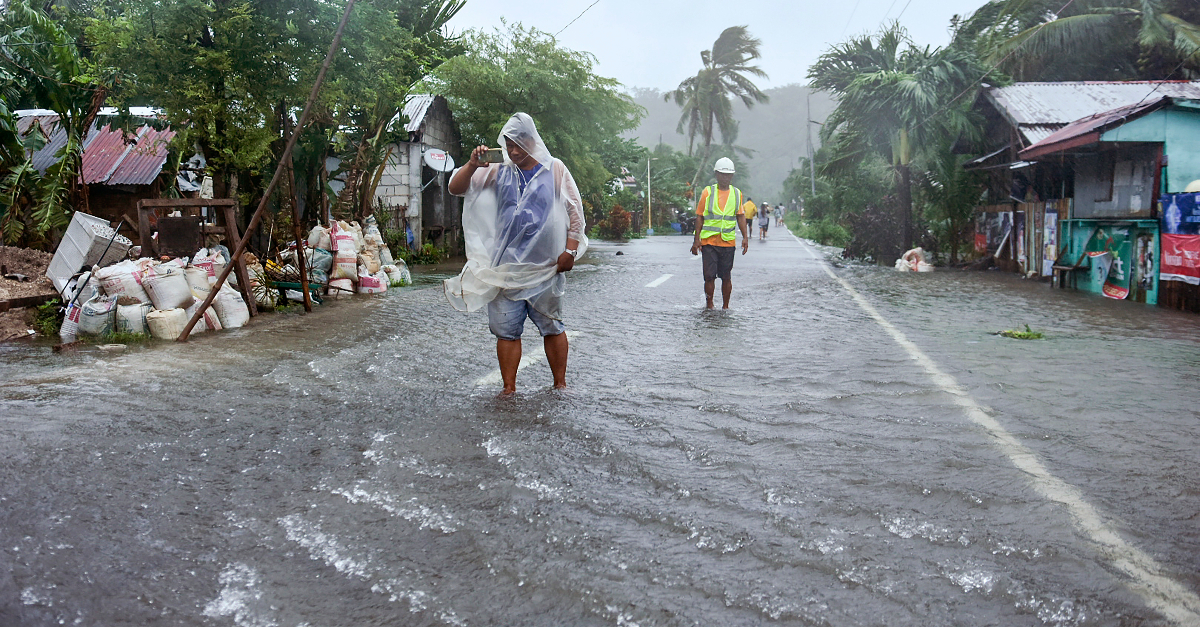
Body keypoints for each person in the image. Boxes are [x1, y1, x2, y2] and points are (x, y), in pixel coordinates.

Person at [445, 113, 587, 395]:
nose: (512, 151)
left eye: (518, 145)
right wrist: (473, 164)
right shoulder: (499, 170)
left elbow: (575, 213)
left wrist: (570, 250)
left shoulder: (555, 169)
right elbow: (455, 188)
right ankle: (509, 389)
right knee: (506, 332)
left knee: (553, 326)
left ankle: (560, 384)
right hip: (505, 269)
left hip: (546, 268)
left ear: (532, 141)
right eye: (508, 145)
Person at [690, 157, 748, 309]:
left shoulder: (737, 194)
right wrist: (696, 240)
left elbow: (740, 216)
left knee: (726, 276)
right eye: (722, 174)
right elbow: (700, 217)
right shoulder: (708, 192)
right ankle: (710, 305)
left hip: (728, 242)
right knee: (709, 276)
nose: (725, 177)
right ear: (716, 174)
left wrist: (745, 237)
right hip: (709, 242)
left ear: (732, 176)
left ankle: (725, 307)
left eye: (728, 174)